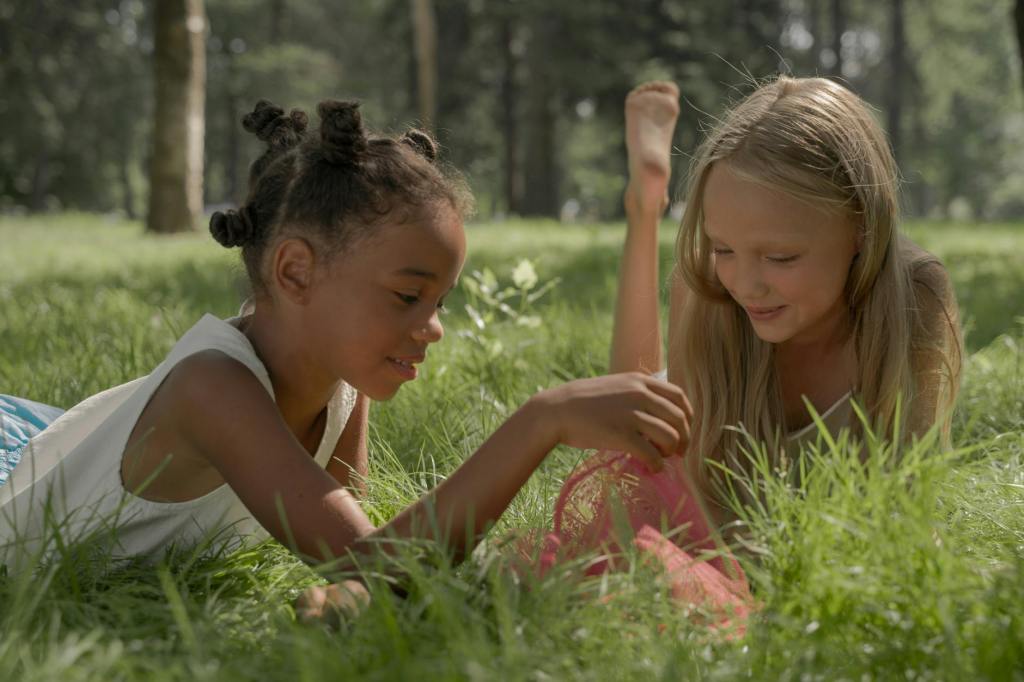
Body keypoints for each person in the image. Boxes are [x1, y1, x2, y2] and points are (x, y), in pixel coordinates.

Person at [0, 99, 693, 620]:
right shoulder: (213, 387)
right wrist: (542, 419)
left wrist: (350, 600)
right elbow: (373, 560)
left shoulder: (339, 384)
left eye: (441, 302)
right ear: (296, 272)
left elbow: (369, 552)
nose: (433, 329)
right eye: (407, 296)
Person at [534, 77, 962, 630]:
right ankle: (645, 205)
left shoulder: (916, 296)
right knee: (635, 415)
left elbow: (908, 491)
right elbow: (686, 487)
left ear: (861, 224)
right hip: (692, 466)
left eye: (780, 257)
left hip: (818, 523)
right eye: (724, 248)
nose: (746, 284)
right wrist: (739, 599)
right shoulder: (710, 288)